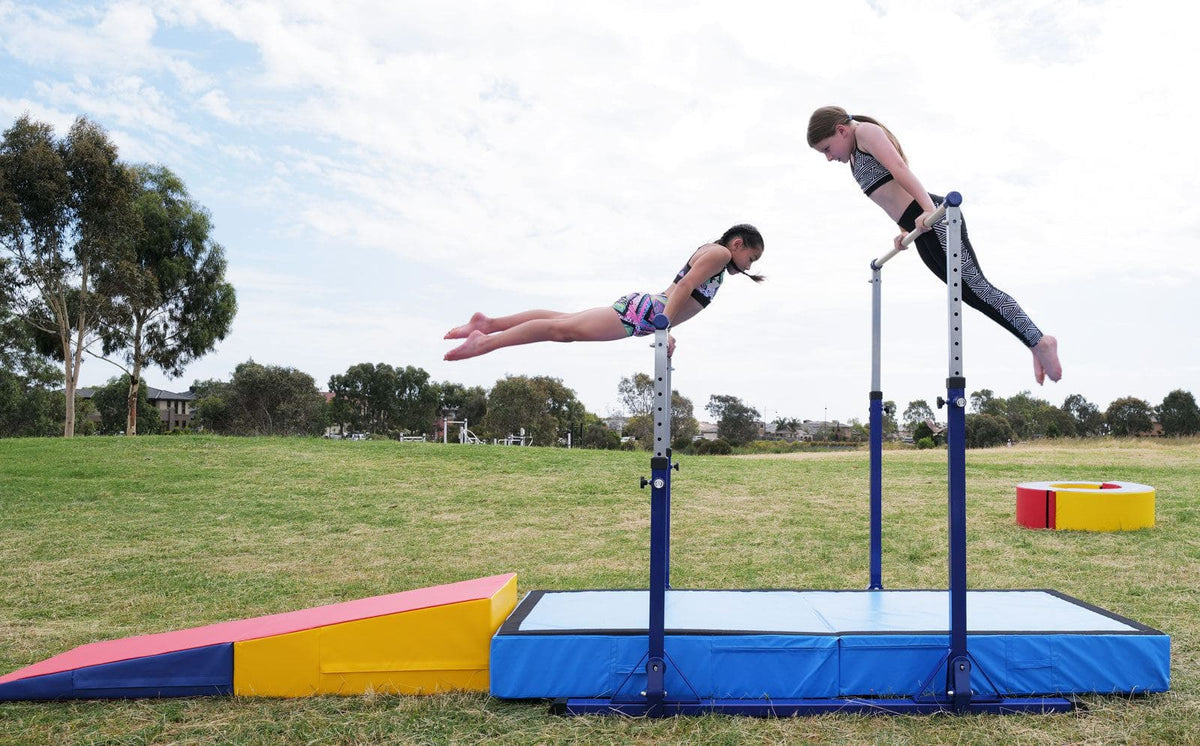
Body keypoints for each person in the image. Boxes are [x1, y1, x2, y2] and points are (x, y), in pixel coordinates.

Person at [807, 106, 1062, 384]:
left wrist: (930, 210)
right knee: (970, 295)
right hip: (919, 227)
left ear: (841, 131)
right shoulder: (855, 157)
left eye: (827, 149)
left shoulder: (866, 133)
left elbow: (899, 169)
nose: (829, 158)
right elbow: (889, 195)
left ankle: (1041, 341)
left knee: (979, 288)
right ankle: (1033, 341)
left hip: (936, 219)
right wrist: (903, 229)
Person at [444, 224, 765, 361]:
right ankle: (486, 342)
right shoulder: (720, 255)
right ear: (737, 244)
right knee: (562, 330)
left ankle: (487, 324)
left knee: (564, 322)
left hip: (647, 310)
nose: (749, 267)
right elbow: (684, 287)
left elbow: (682, 293)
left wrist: (665, 328)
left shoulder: (719, 261)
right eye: (751, 258)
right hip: (648, 312)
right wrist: (662, 325)